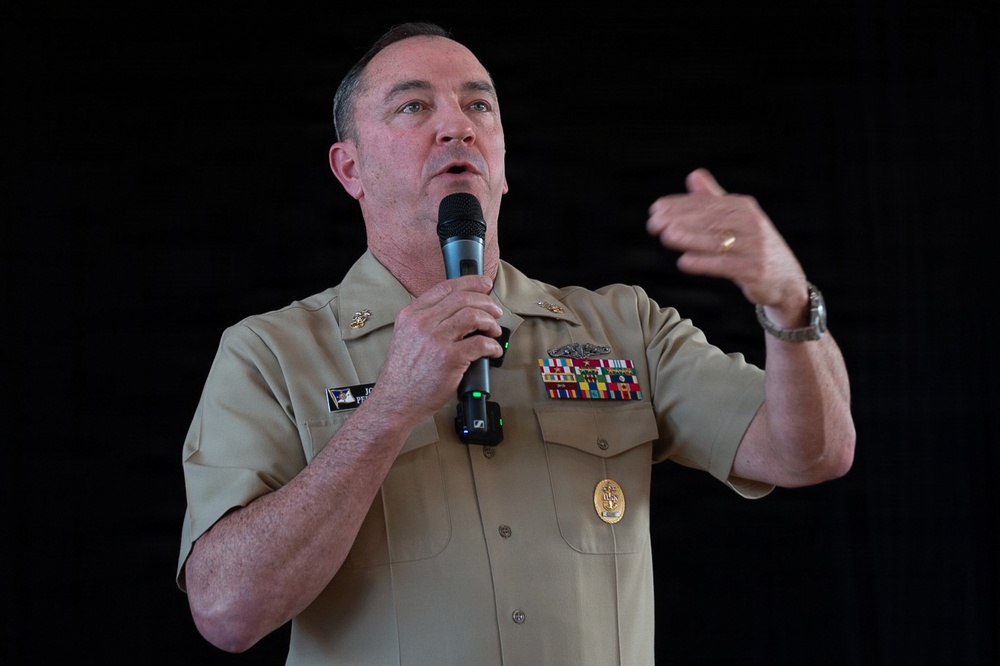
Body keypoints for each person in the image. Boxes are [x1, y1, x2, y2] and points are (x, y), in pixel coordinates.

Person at [176, 21, 855, 665]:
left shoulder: (625, 329)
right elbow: (228, 611)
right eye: (414, 108)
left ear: (502, 164)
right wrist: (388, 410)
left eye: (480, 106)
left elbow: (811, 453)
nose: (457, 126)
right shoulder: (269, 353)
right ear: (349, 168)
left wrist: (790, 302)